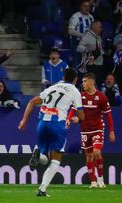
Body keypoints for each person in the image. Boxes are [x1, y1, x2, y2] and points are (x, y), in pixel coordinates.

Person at [18, 69, 85, 197]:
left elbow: (32, 101)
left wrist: (24, 121)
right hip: (58, 125)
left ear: (63, 77)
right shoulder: (75, 91)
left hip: (42, 123)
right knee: (56, 159)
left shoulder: (52, 87)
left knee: (45, 159)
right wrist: (78, 119)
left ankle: (38, 154)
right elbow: (81, 115)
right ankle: (42, 190)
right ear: (75, 79)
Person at [67, 73, 116, 188]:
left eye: (84, 81)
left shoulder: (101, 97)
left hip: (98, 129)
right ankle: (93, 182)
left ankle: (101, 179)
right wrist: (69, 119)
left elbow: (108, 115)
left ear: (91, 82)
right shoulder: (81, 96)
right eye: (82, 81)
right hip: (85, 130)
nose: (83, 83)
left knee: (97, 152)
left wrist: (112, 132)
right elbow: (73, 109)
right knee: (89, 156)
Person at [77, 21, 104, 85]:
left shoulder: (98, 37)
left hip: (99, 64)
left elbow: (100, 50)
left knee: (98, 84)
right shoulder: (87, 36)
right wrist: (88, 50)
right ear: (94, 27)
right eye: (100, 27)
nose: (101, 29)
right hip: (91, 65)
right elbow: (79, 48)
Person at [69, 0, 94, 68]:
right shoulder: (75, 16)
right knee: (77, 62)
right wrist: (83, 35)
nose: (87, 8)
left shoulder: (91, 17)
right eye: (84, 6)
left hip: (88, 44)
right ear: (81, 7)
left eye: (88, 6)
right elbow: (70, 31)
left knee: (87, 63)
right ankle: (76, 77)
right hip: (76, 43)